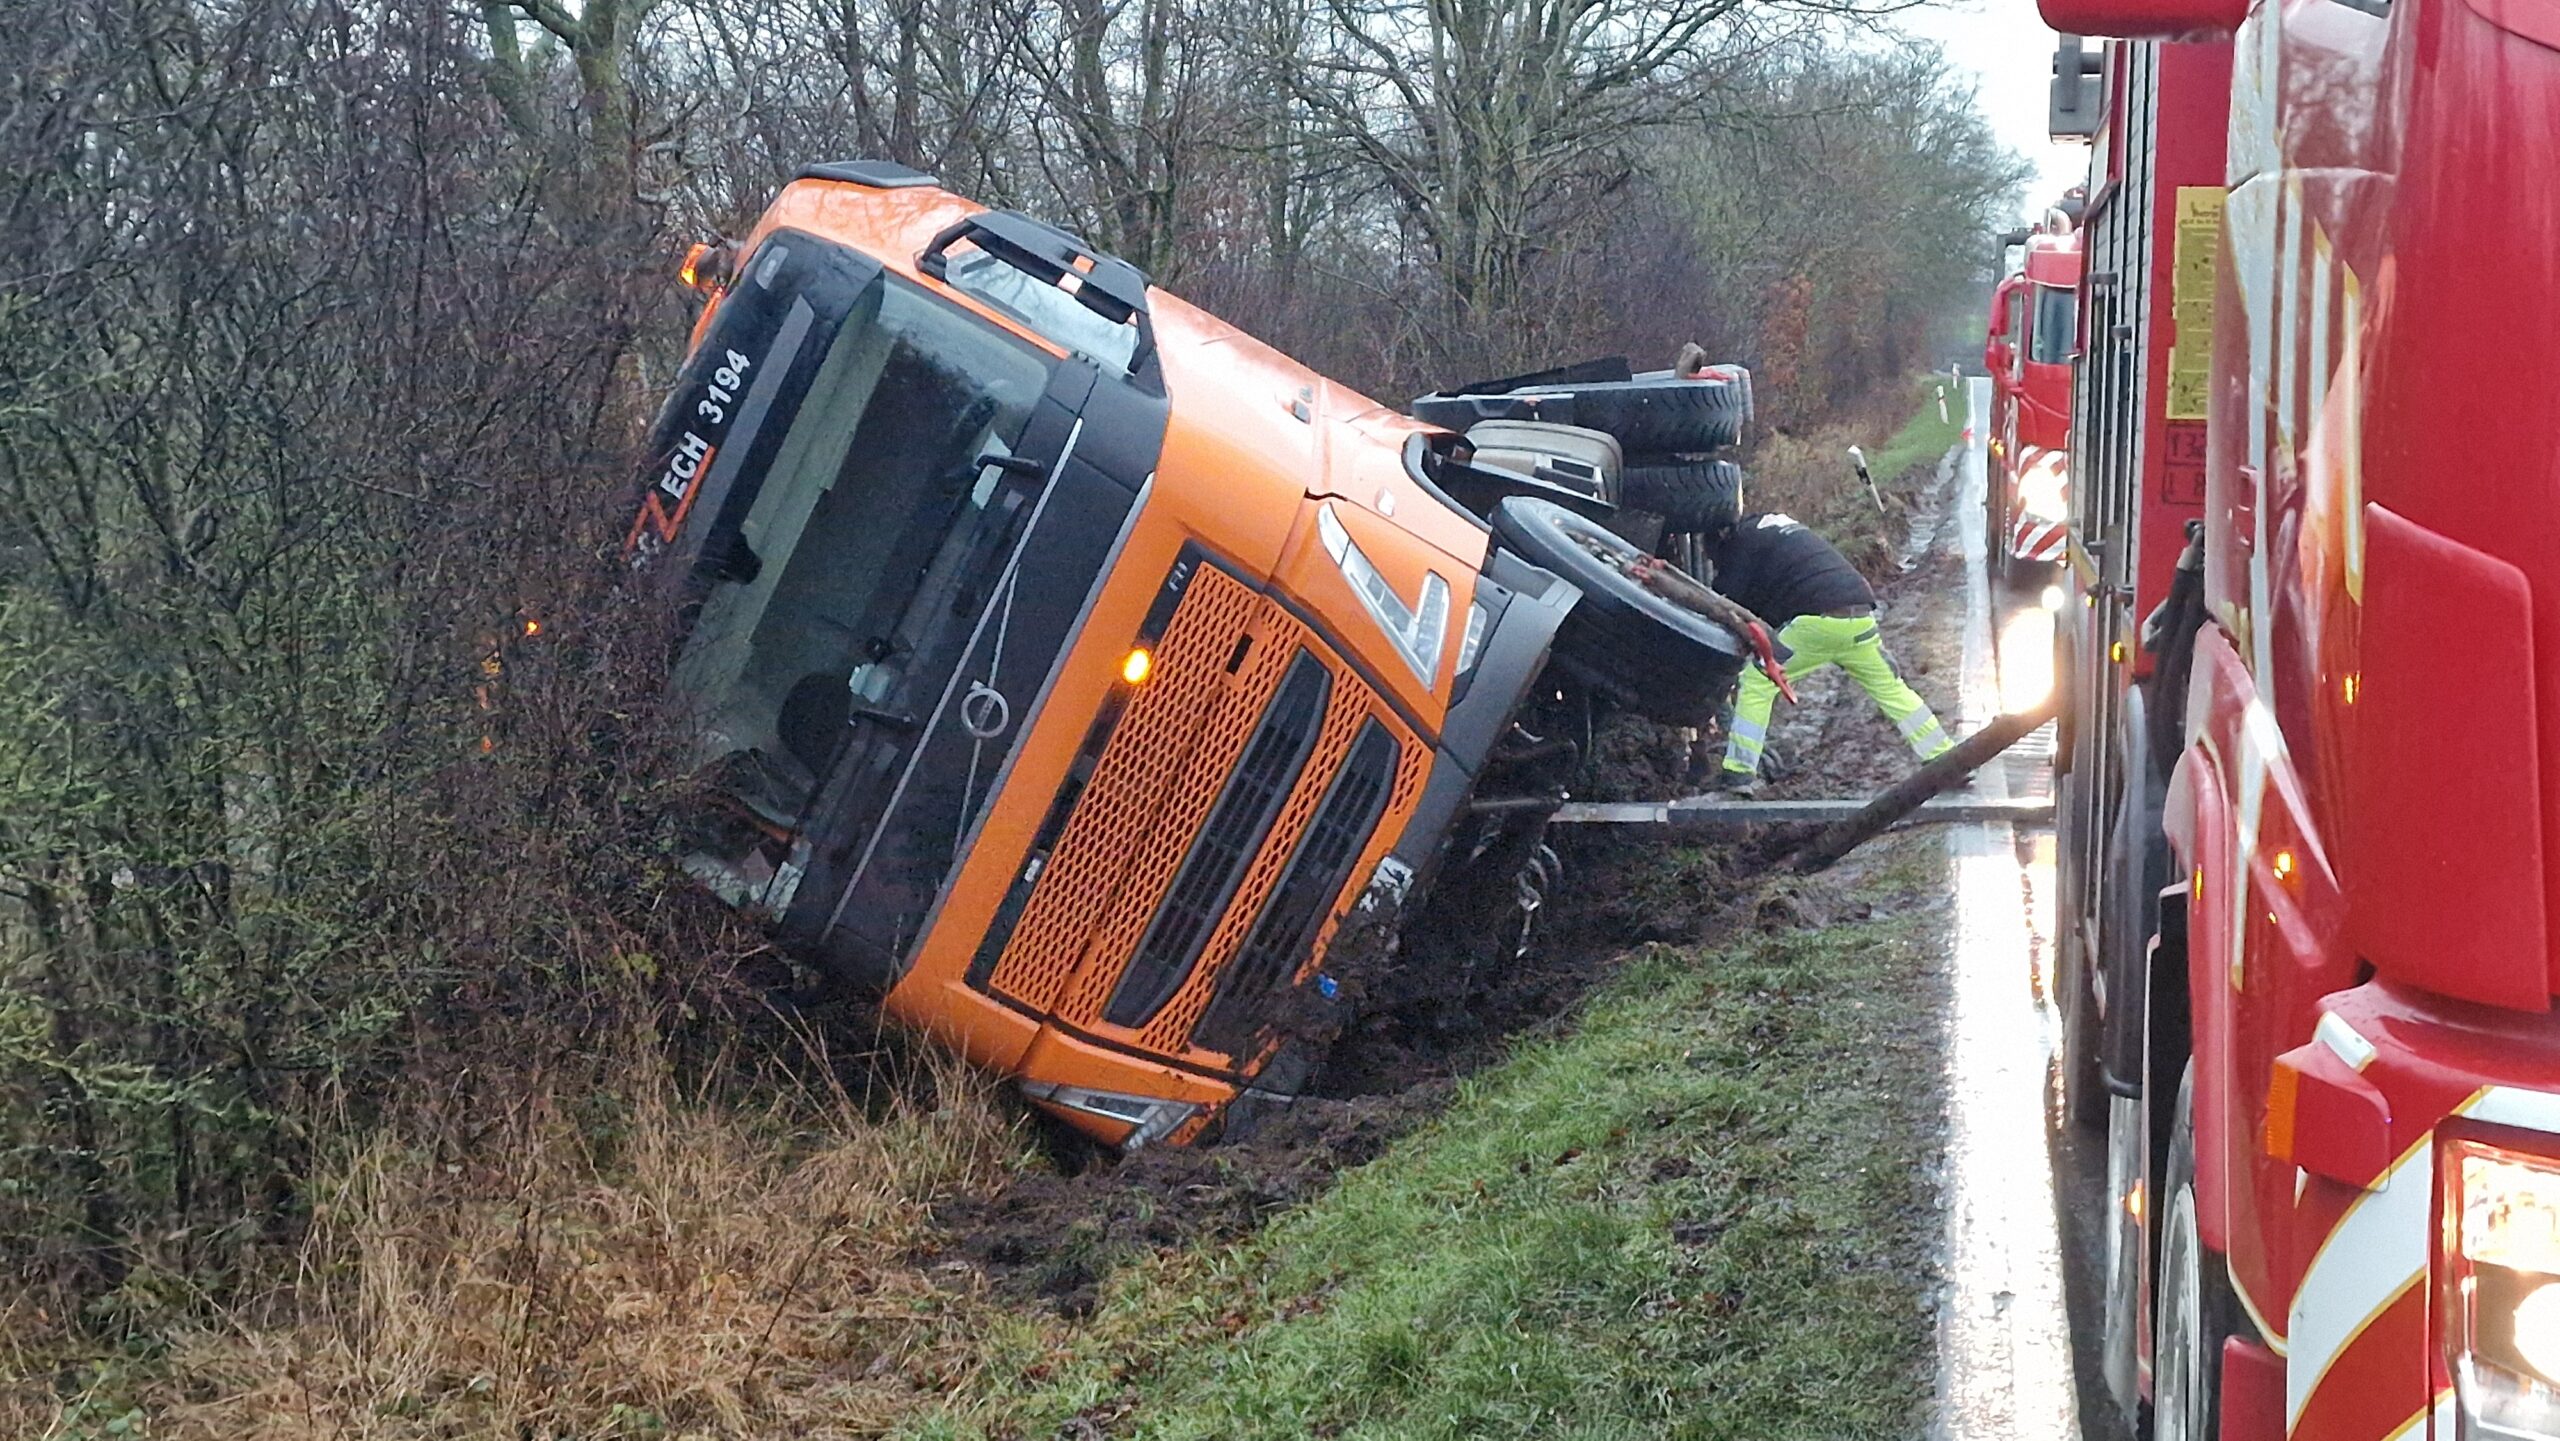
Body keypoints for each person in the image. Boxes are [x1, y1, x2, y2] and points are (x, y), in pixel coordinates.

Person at [1701, 508, 1954, 794]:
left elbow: (1729, 597)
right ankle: (1945, 758)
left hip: (1817, 621)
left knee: (1758, 681)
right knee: (1891, 689)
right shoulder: (1776, 529)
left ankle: (1738, 773)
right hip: (1860, 615)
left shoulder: (1740, 543)